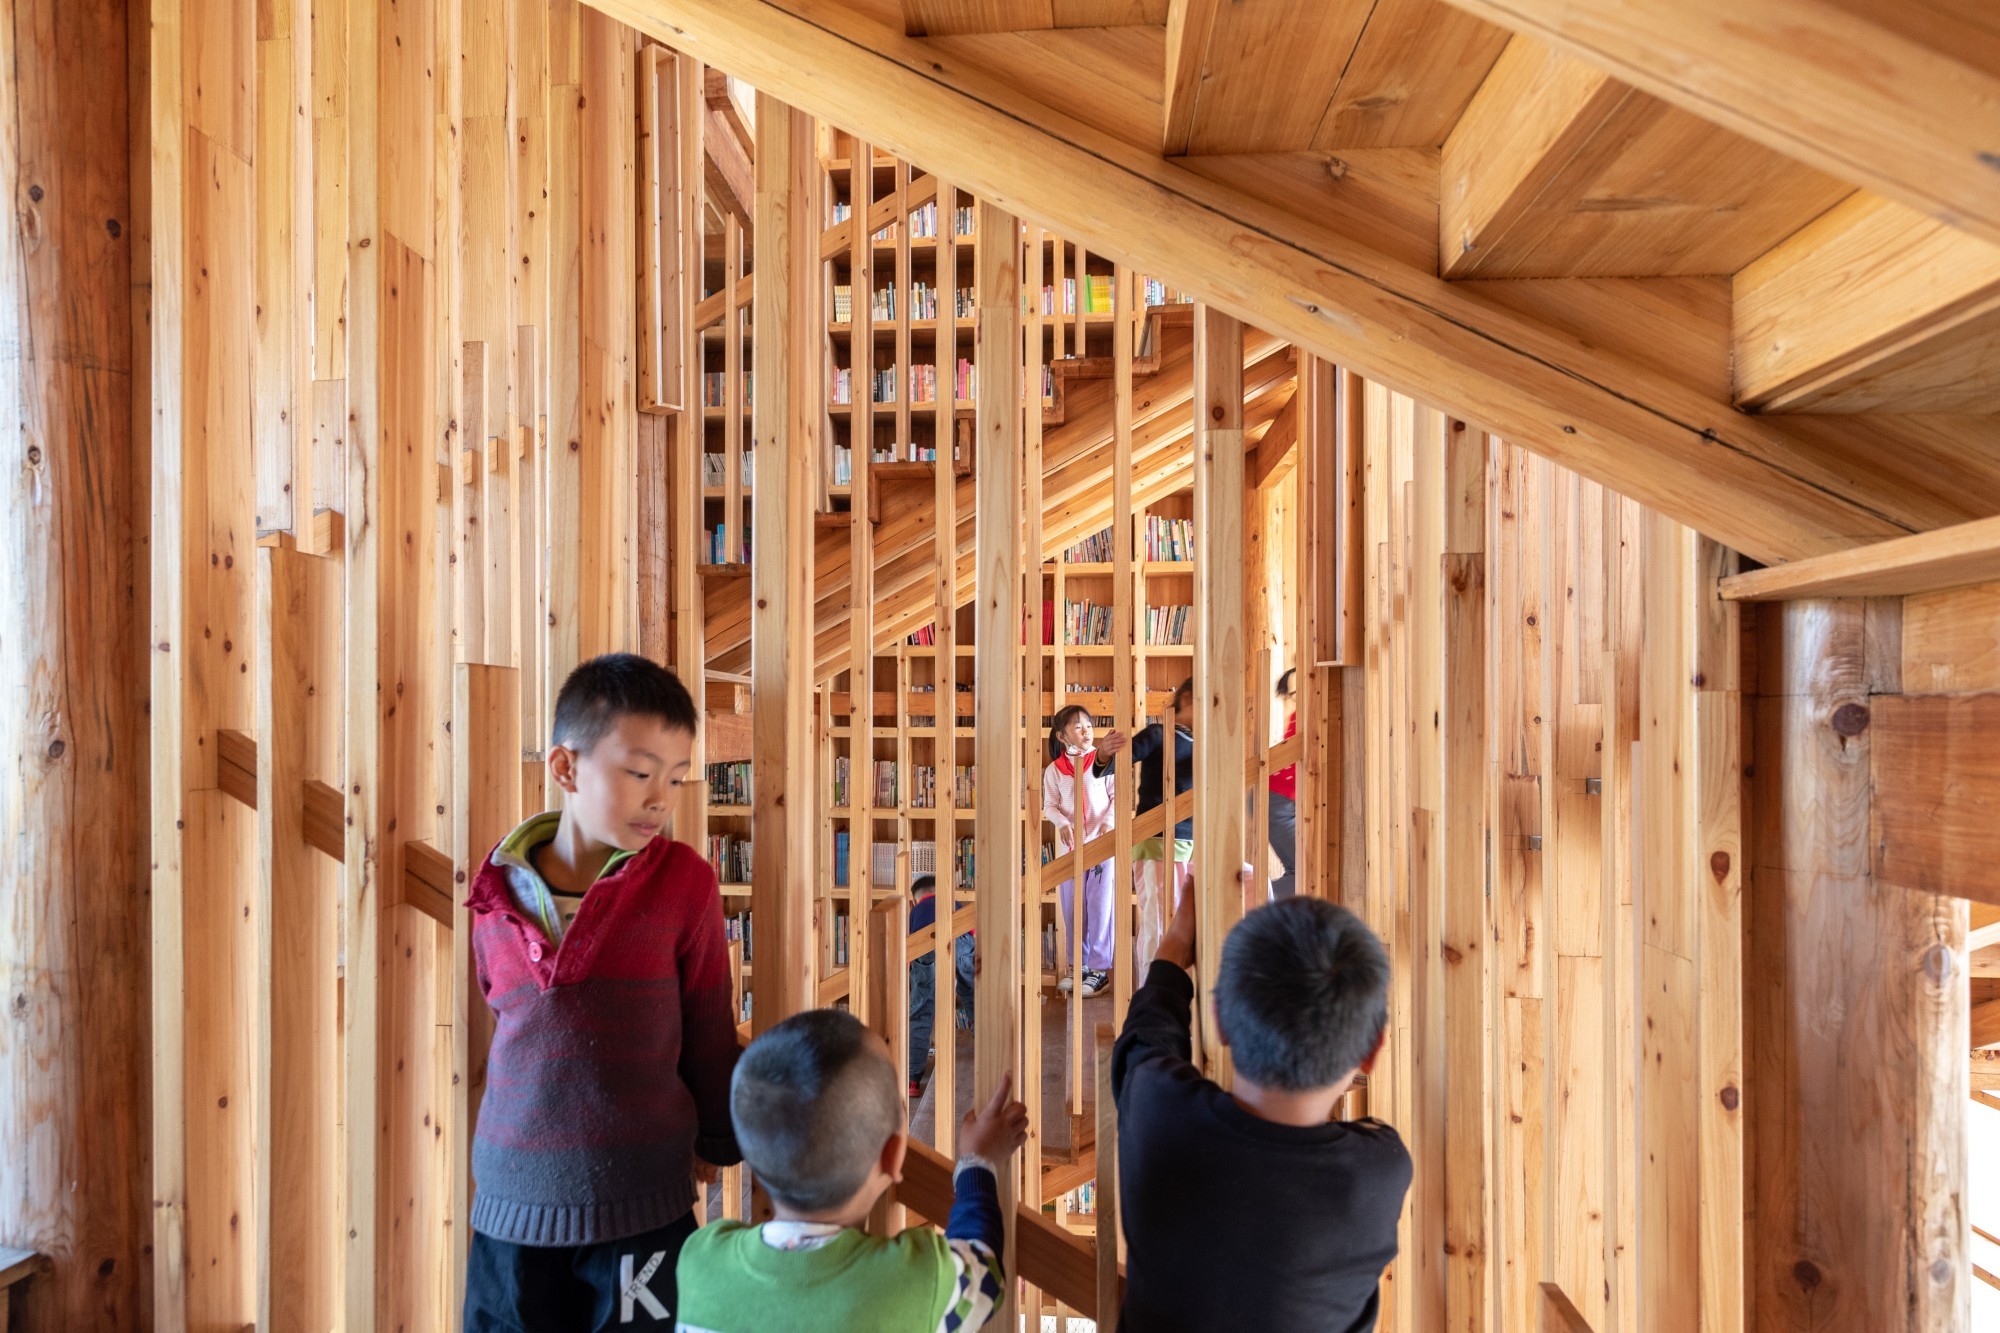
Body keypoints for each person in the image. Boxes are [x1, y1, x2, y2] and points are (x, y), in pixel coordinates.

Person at [462, 653, 742, 1331]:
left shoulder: (685, 882)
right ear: (565, 767)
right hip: (509, 1205)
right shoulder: (494, 889)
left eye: (675, 778)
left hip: (641, 1203)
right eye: (641, 773)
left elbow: (707, 1018)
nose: (661, 798)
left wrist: (719, 1134)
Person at [1112, 878, 1411, 1333]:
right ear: (1372, 1050)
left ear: (1219, 1022)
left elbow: (1147, 1034)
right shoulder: (1380, 1171)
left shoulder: (1161, 1115)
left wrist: (1175, 943)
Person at [675, 1009, 1031, 1333]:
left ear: (754, 1155)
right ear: (892, 1156)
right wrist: (976, 1161)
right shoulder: (916, 1281)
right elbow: (983, 1272)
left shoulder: (699, 1258)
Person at [1095, 677, 1194, 965]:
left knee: (1184, 921)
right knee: (1161, 920)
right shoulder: (1159, 734)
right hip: (1157, 842)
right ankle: (1153, 990)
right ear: (1187, 700)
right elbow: (1112, 764)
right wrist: (1103, 752)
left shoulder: (1203, 743)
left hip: (1191, 842)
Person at [1042, 705, 1117, 998]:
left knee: (1099, 907)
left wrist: (1108, 824)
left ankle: (1100, 971)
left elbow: (1117, 796)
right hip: (1069, 852)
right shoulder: (1054, 771)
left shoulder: (1103, 762)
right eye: (1078, 727)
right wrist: (1061, 822)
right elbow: (1049, 805)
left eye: (1089, 725)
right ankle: (1079, 967)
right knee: (1072, 909)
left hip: (1100, 848)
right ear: (1062, 736)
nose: (1086, 731)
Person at [907, 873, 976, 1098]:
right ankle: (987, 1053)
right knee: (973, 995)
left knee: (920, 1009)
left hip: (925, 947)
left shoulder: (915, 912)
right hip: (960, 940)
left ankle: (913, 1080)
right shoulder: (951, 902)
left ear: (915, 899)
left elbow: (909, 948)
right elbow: (972, 931)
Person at [1267, 668, 1299, 899]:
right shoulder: (1303, 716)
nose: (1295, 699)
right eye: (1293, 694)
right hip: (1278, 800)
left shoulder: (1303, 714)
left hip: (1281, 800)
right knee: (1303, 875)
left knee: (1300, 873)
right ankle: (1250, 898)